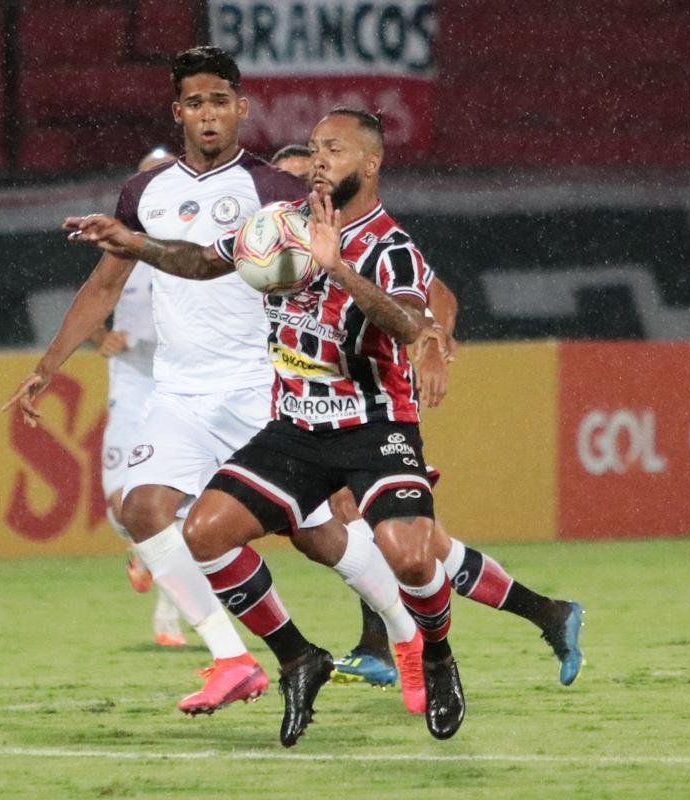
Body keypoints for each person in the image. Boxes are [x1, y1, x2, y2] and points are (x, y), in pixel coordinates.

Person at [5, 49, 422, 726]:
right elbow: (105, 284)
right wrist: (49, 364)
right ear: (178, 112)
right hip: (179, 392)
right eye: (195, 103)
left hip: (261, 388)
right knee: (143, 512)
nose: (208, 115)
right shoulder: (145, 194)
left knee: (318, 538)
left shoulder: (275, 190)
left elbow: (326, 275)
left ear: (241, 108)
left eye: (220, 101)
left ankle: (408, 636)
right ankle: (237, 659)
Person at [67, 108, 468, 744]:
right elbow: (202, 260)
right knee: (204, 531)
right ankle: (296, 655)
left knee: (411, 555)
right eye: (314, 148)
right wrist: (133, 241)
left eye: (332, 149)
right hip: (298, 424)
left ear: (369, 164)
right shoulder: (281, 228)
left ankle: (435, 653)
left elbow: (410, 321)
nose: (317, 160)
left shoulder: (391, 246)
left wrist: (338, 269)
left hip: (373, 424)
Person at [269, 142, 585, 694]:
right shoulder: (270, 236)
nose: (307, 183)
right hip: (296, 403)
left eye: (311, 171)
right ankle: (549, 614)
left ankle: (386, 647)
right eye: (292, 179)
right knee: (428, 546)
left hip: (366, 408)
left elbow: (437, 294)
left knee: (357, 514)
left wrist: (435, 343)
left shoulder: (367, 238)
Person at [97, 145, 186, 647]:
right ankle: (138, 547)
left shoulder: (192, 250)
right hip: (129, 386)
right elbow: (93, 308)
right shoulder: (121, 249)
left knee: (173, 508)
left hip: (177, 387)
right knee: (118, 505)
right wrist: (100, 338)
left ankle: (168, 617)